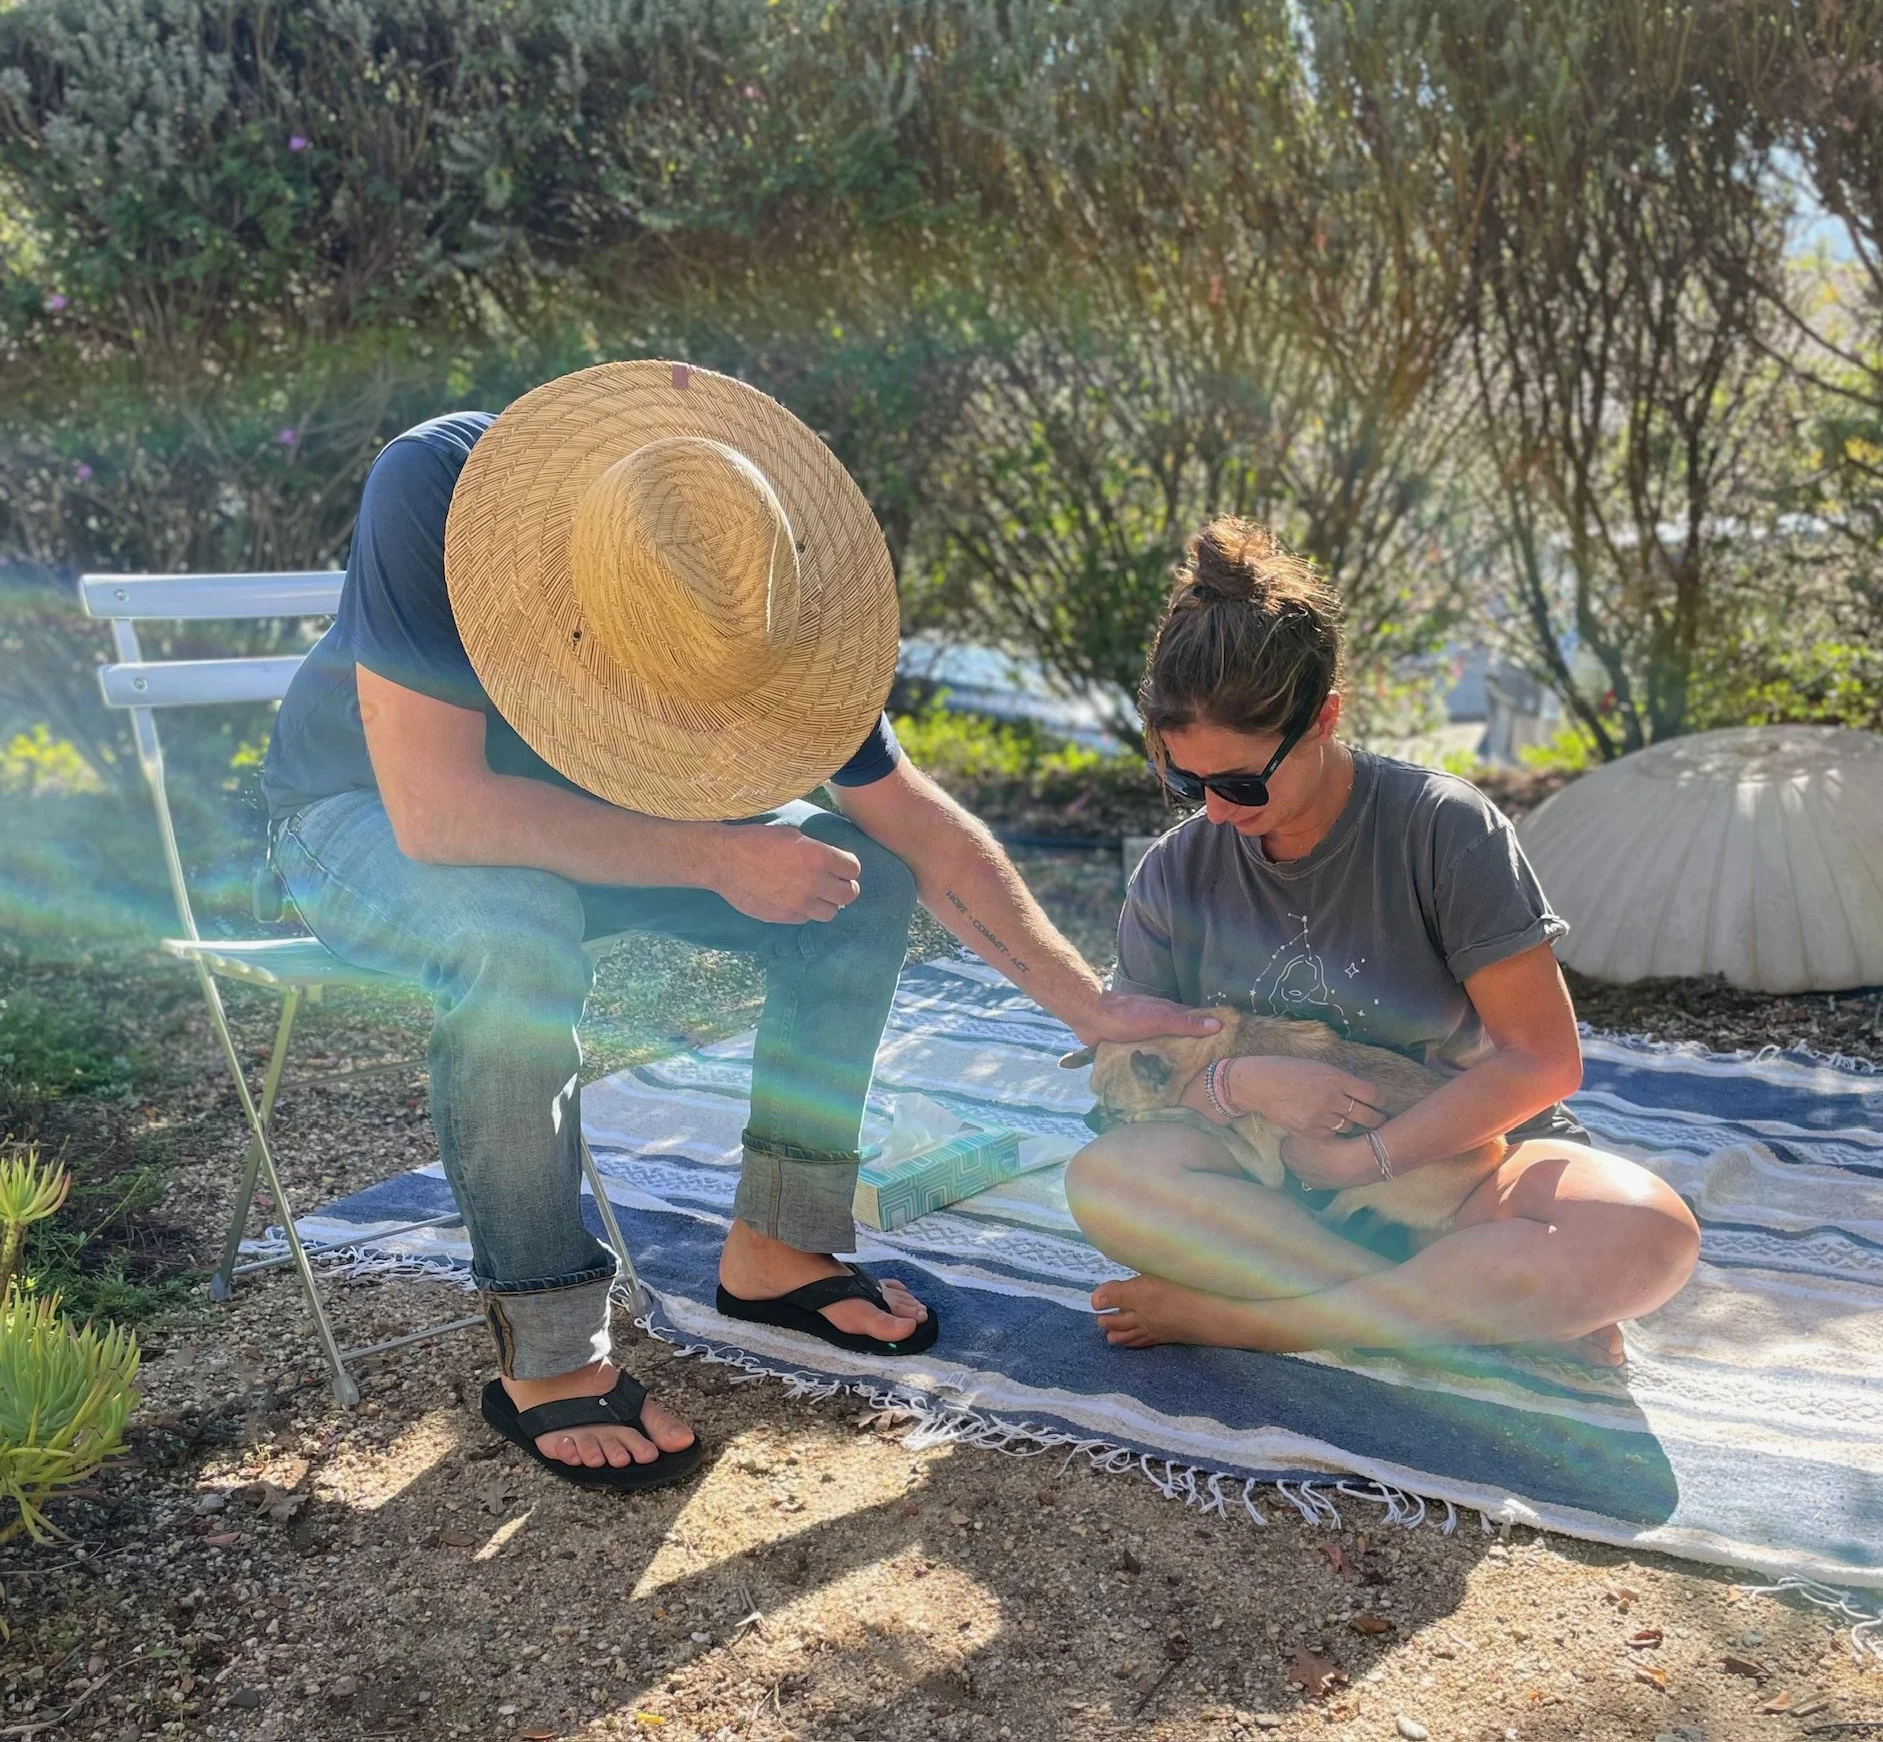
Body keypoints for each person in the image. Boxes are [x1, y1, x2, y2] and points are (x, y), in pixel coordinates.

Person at [262, 360, 1209, 1493]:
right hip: (356, 817)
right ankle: (551, 1350)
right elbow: (438, 812)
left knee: (854, 867)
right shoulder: (435, 487)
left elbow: (920, 828)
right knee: (516, 924)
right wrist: (713, 853)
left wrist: (1089, 1006)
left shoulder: (756, 579)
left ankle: (776, 1243)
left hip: (597, 823)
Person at [1064, 518, 1700, 1364]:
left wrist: (1364, 1159)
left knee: (1643, 1236)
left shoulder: (1442, 828)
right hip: (1273, 1187)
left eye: (1241, 781)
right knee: (1106, 1184)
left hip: (1463, 1172)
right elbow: (1138, 1073)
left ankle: (1260, 1321)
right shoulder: (1178, 867)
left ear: (1324, 717)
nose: (1213, 809)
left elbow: (1542, 1062)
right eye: (1185, 779)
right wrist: (1235, 1081)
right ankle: (1462, 1305)